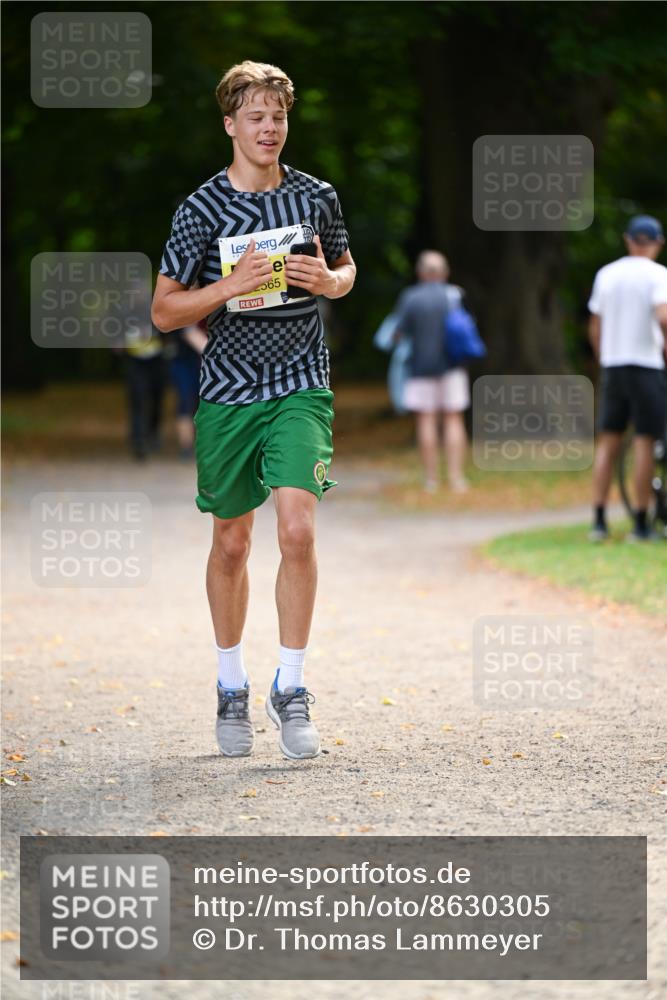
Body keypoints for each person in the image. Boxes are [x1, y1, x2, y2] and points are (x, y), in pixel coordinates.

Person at [152, 61, 355, 759]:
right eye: (257, 117)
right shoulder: (200, 209)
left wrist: (329, 280)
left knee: (297, 528)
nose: (269, 128)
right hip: (229, 391)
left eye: (279, 117)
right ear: (231, 125)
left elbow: (347, 268)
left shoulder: (315, 195)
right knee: (232, 543)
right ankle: (230, 682)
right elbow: (163, 309)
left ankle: (291, 686)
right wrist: (227, 286)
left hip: (301, 383)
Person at [588, 215, 667, 542]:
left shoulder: (607, 274)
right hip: (646, 365)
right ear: (658, 244)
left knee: (608, 441)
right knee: (644, 441)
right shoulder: (659, 275)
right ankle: (639, 522)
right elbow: (663, 317)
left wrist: (602, 356)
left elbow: (595, 325)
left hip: (613, 364)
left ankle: (599, 520)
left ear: (628, 240)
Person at [394, 250, 470, 493]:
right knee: (453, 418)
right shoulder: (454, 295)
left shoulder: (411, 298)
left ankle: (431, 480)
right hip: (453, 366)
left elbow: (398, 334)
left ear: (420, 272)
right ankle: (457, 479)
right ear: (444, 272)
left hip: (420, 367)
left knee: (426, 420)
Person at [165, 323, 208, 459]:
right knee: (185, 401)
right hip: (183, 361)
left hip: (202, 363)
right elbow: (190, 333)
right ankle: (186, 445)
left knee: (201, 403)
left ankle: (201, 444)